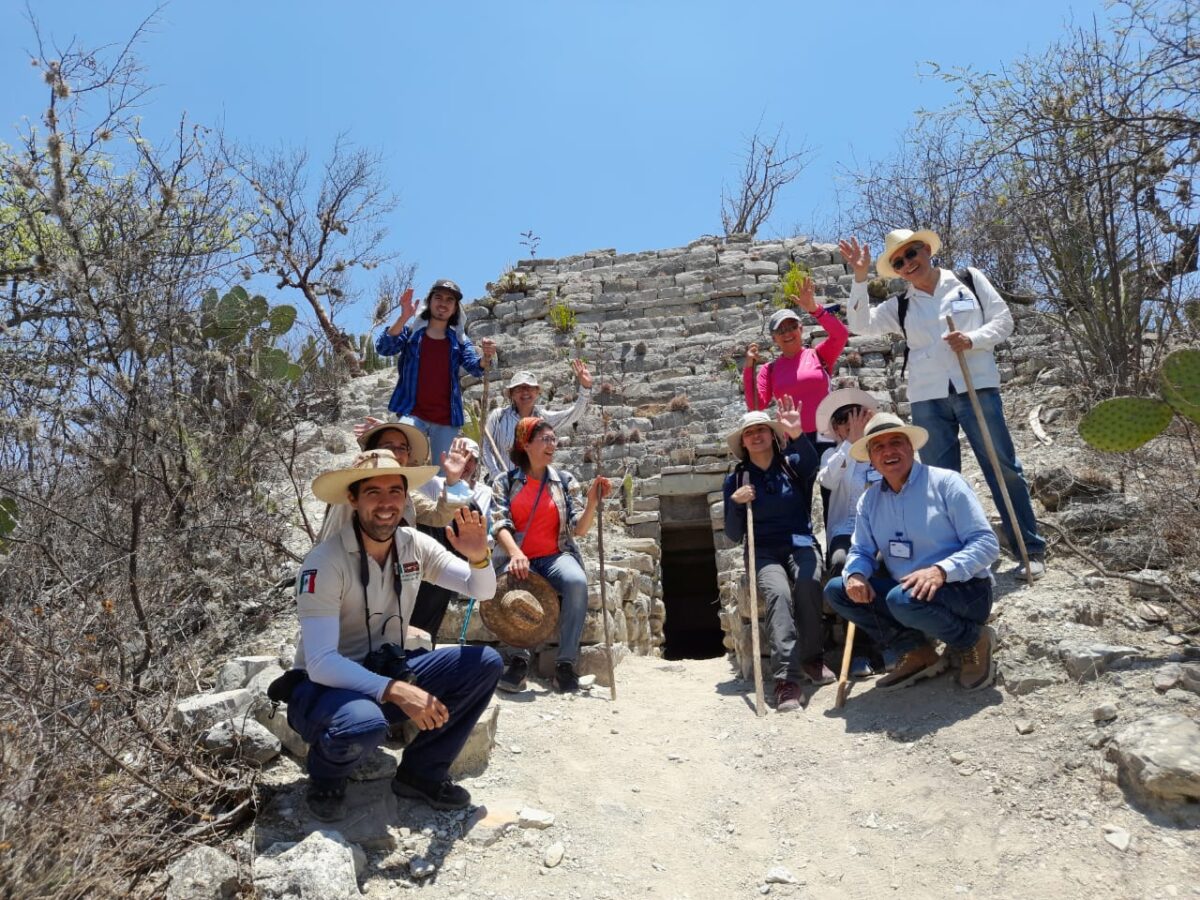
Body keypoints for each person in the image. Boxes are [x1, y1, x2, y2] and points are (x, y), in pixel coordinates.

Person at [289, 449, 502, 822]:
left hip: (383, 670)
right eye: (373, 492)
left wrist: (478, 556)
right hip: (323, 689)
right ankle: (325, 776)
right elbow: (321, 663)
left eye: (395, 491)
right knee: (364, 722)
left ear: (406, 497)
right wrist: (398, 691)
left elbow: (480, 590)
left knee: (484, 663)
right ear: (353, 499)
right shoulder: (326, 561)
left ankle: (422, 774)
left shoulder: (412, 544)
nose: (386, 504)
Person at [838, 230, 1047, 578]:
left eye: (911, 254)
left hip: (975, 384)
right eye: (899, 262)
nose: (907, 263)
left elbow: (1003, 320)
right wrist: (860, 276)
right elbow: (859, 324)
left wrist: (972, 339)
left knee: (1002, 467)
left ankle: (1029, 548)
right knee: (939, 480)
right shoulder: (900, 305)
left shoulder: (968, 279)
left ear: (926, 250)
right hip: (927, 394)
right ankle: (959, 557)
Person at [823, 412, 1001, 692]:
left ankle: (972, 639)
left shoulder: (946, 483)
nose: (888, 452)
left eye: (896, 442)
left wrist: (941, 571)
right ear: (870, 457)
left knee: (901, 599)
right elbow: (860, 550)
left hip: (965, 590)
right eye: (878, 447)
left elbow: (986, 543)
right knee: (837, 589)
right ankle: (917, 652)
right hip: (908, 595)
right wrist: (856, 574)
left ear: (911, 447)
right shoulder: (870, 501)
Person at [722, 399, 834, 714]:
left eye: (762, 430)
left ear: (772, 435)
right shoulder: (737, 480)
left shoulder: (792, 463)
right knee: (778, 593)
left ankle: (813, 658)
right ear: (743, 442)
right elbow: (733, 534)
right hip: (763, 550)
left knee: (809, 581)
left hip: (800, 542)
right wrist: (734, 503)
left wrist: (798, 434)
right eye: (749, 433)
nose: (756, 436)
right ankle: (787, 679)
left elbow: (813, 463)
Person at [490, 416, 611, 693]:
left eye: (553, 439)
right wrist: (516, 553)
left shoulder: (564, 481)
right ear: (526, 444)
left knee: (577, 582)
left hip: (556, 555)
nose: (552, 444)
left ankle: (565, 665)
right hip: (519, 557)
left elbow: (578, 529)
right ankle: (519, 661)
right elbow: (499, 523)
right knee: (515, 585)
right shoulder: (504, 482)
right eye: (545, 439)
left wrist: (593, 502)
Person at [376, 280, 497, 467]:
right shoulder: (412, 334)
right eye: (438, 297)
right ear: (429, 302)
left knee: (442, 476)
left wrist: (486, 357)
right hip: (412, 412)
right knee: (402, 463)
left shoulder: (459, 341)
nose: (443, 303)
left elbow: (475, 367)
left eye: (450, 300)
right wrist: (404, 317)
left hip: (446, 419)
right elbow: (384, 348)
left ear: (455, 308)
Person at [409, 437, 495, 643]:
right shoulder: (433, 484)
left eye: (470, 459)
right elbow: (439, 516)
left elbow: (484, 590)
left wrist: (478, 556)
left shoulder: (486, 492)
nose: (465, 464)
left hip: (454, 550)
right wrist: (452, 482)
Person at [743, 277, 849, 439]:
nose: (787, 333)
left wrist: (815, 309)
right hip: (794, 442)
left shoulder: (819, 355)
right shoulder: (769, 369)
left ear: (801, 329)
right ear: (774, 338)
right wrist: (749, 368)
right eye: (781, 330)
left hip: (828, 436)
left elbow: (840, 335)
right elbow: (756, 405)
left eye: (792, 327)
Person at [482, 364, 593, 482]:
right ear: (512, 394)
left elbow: (573, 414)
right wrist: (497, 475)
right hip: (502, 486)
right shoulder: (498, 416)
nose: (525, 392)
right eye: (519, 389)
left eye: (529, 388)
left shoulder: (543, 418)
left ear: (537, 392)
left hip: (533, 488)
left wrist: (585, 388)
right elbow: (485, 447)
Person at [814, 388, 879, 577]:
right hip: (845, 530)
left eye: (856, 415)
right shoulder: (830, 454)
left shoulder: (880, 451)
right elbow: (828, 481)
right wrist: (850, 444)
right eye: (844, 419)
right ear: (835, 427)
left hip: (879, 529)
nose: (851, 423)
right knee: (840, 561)